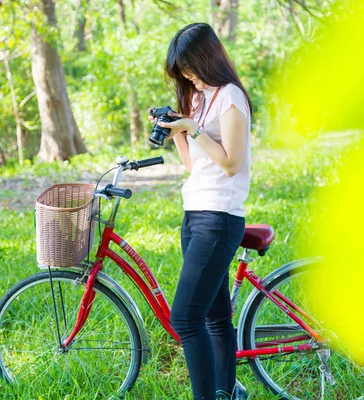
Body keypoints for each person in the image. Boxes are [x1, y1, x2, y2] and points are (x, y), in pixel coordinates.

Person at [149, 22, 252, 400]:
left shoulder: (230, 98)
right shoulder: (200, 98)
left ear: (206, 59)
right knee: (213, 318)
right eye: (182, 73)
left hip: (219, 218)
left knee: (185, 319)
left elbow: (230, 163)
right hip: (194, 216)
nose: (188, 77)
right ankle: (227, 393)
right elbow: (197, 166)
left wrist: (194, 129)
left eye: (189, 69)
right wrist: (178, 130)